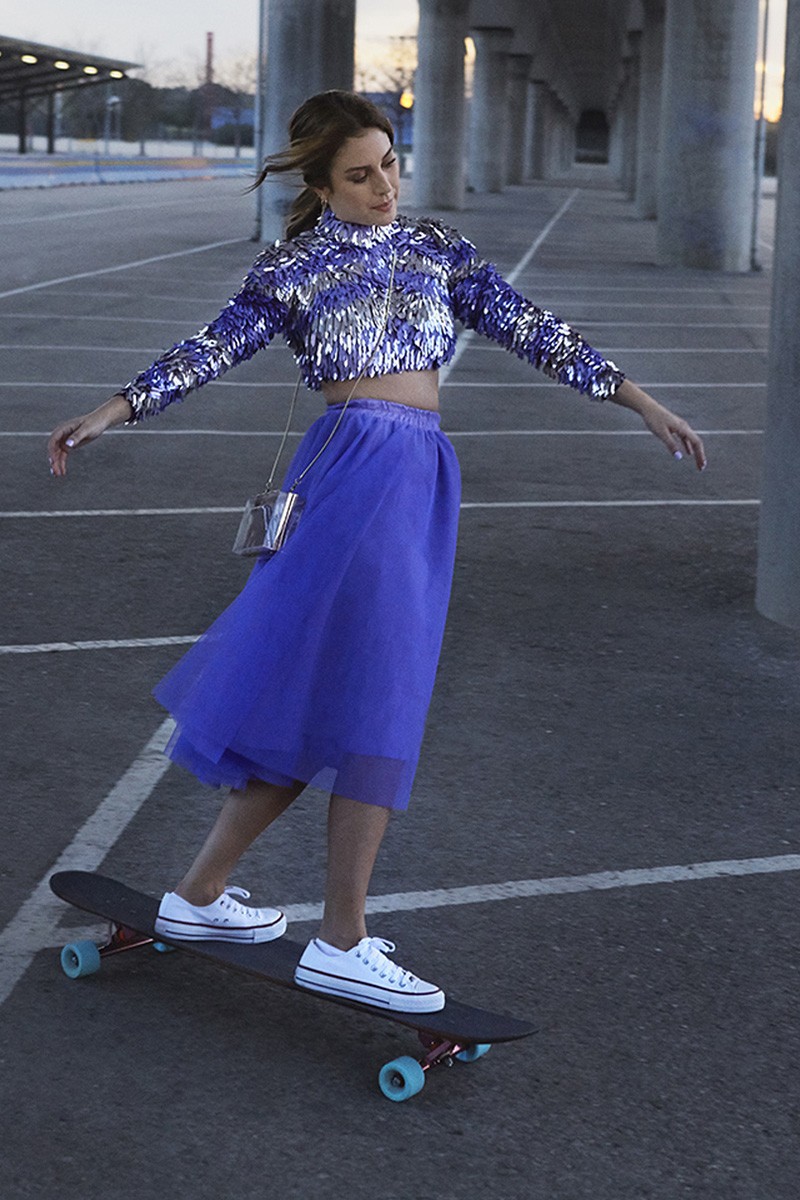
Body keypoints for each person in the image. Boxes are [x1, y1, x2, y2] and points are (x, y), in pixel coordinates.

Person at [47, 90, 706, 1015]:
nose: (385, 186)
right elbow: (211, 348)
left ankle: (198, 894)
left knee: (324, 696)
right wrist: (115, 409)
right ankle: (343, 939)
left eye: (390, 163)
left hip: (418, 474)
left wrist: (640, 401)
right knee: (379, 698)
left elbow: (533, 328)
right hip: (356, 473)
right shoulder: (295, 267)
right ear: (320, 186)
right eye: (359, 176)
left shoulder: (436, 247)